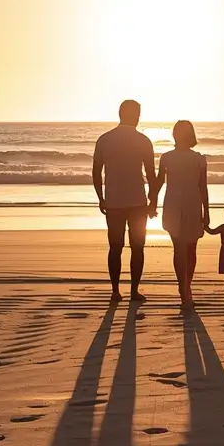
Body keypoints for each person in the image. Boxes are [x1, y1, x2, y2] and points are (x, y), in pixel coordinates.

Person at [92, 99, 156, 303]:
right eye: (138, 114)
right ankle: (134, 291)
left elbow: (96, 171)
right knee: (137, 247)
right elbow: (151, 174)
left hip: (114, 201)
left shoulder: (104, 139)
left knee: (115, 246)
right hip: (137, 201)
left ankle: (115, 291)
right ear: (135, 116)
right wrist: (152, 200)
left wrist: (100, 197)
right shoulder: (143, 140)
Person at [151, 120, 208, 308]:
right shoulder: (169, 157)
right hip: (182, 201)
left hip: (184, 201)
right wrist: (152, 201)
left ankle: (185, 287)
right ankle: (184, 288)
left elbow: (203, 187)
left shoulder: (196, 158)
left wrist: (206, 212)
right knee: (187, 249)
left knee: (185, 248)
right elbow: (160, 182)